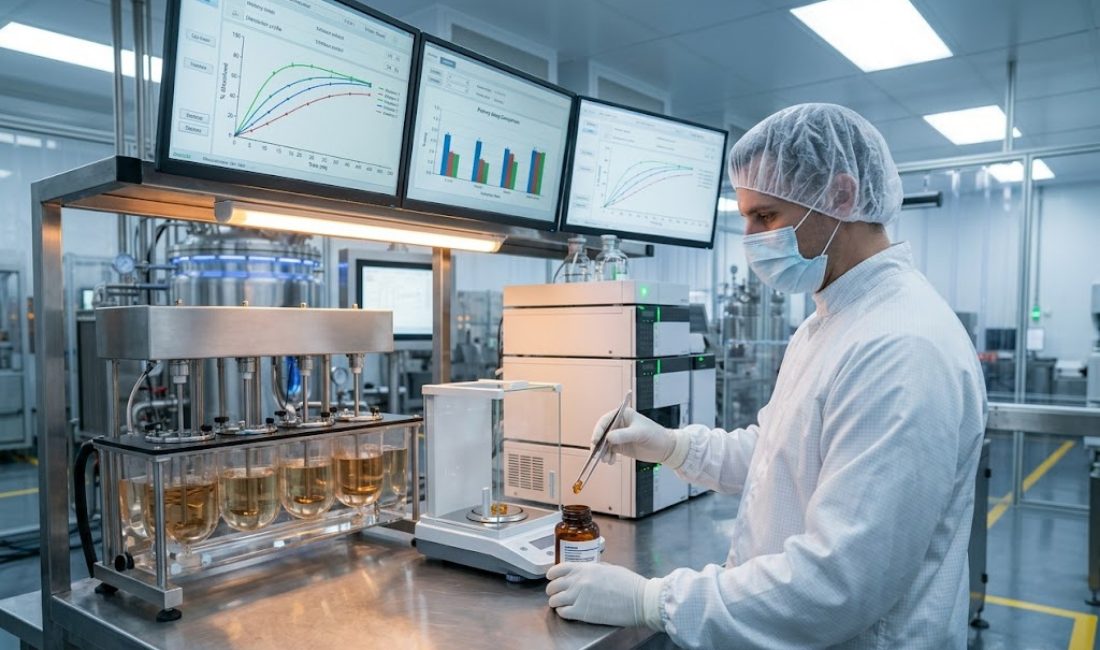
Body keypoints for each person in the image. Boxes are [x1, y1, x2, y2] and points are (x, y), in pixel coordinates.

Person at [545, 103, 987, 649]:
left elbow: (838, 583)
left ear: (842, 197)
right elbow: (781, 454)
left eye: (766, 216)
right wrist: (671, 445)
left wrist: (653, 600)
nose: (751, 237)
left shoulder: (901, 346)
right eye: (746, 217)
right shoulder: (828, 324)